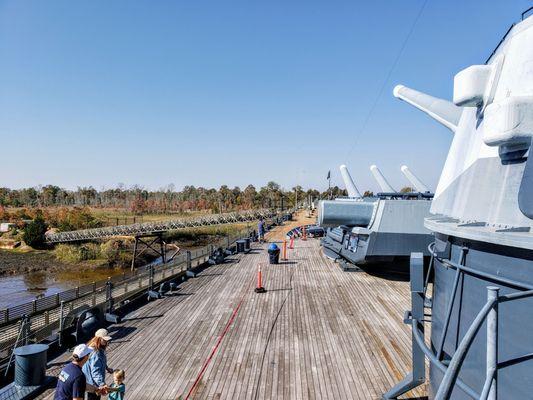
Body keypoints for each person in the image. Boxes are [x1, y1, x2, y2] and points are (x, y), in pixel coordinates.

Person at [83, 328, 114, 400]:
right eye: (105, 340)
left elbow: (98, 362)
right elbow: (95, 371)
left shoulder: (91, 347)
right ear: (98, 339)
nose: (107, 342)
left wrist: (106, 367)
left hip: (88, 380)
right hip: (93, 382)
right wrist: (102, 384)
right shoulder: (96, 353)